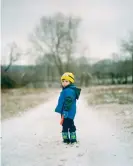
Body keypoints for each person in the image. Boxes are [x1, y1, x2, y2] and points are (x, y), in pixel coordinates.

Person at [55, 72, 81, 144]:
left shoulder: (69, 90)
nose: (64, 83)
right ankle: (66, 139)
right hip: (65, 111)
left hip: (68, 111)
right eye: (63, 81)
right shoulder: (66, 89)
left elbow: (68, 101)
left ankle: (72, 139)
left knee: (69, 124)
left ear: (70, 82)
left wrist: (66, 110)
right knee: (65, 124)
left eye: (66, 81)